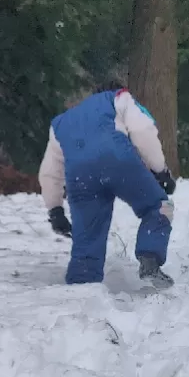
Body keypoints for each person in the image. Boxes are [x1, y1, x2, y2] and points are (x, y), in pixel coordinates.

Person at [39, 81, 177, 287]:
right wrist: (160, 170)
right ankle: (150, 258)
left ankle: (82, 287)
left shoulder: (60, 123)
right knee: (158, 207)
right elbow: (143, 131)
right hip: (116, 160)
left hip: (79, 176)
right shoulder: (120, 97)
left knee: (87, 235)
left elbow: (50, 172)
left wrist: (55, 210)